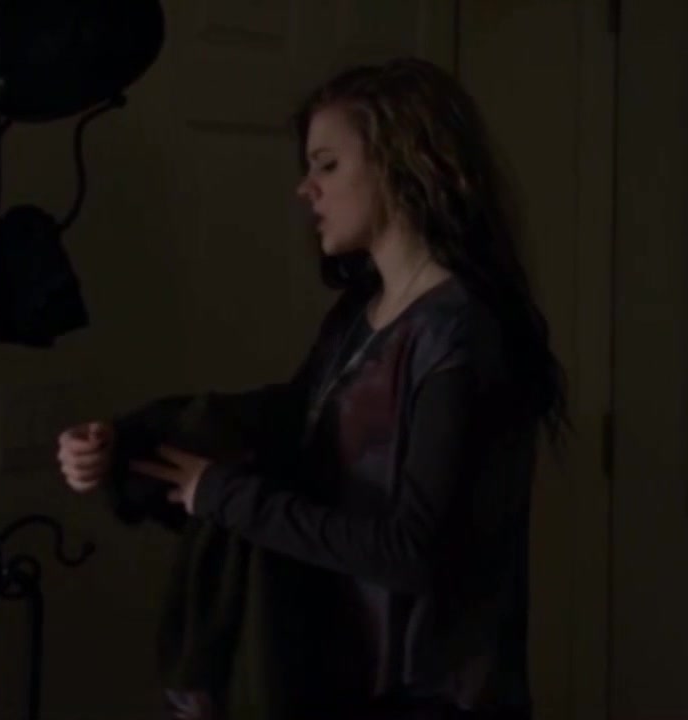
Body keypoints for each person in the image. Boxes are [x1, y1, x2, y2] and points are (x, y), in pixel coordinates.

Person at [56, 56, 567, 719]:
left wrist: (224, 496)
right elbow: (287, 428)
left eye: (327, 165)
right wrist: (124, 445)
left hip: (439, 700)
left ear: (403, 164)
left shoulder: (458, 336)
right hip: (349, 684)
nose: (305, 189)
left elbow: (411, 552)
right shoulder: (358, 318)